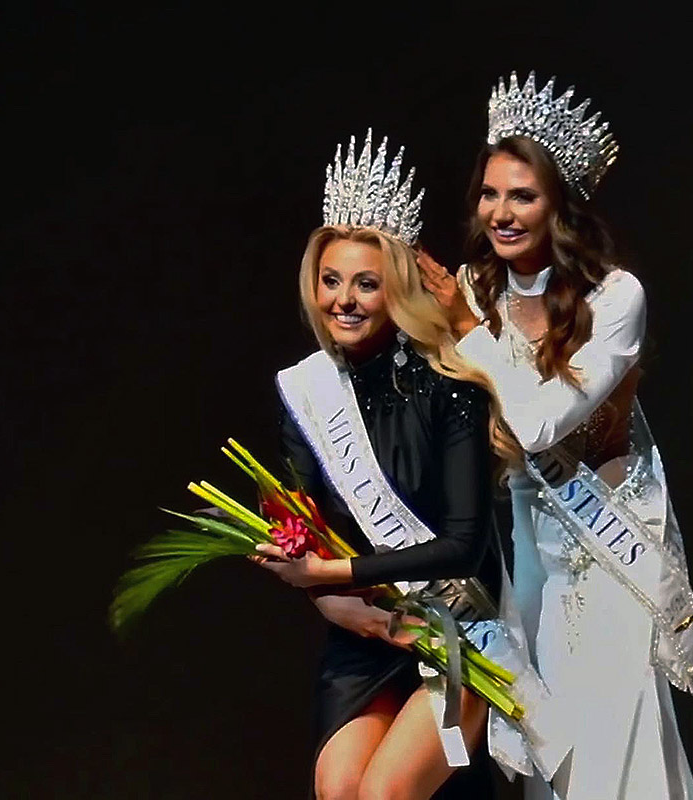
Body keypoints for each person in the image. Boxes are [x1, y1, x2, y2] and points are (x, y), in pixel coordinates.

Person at [417, 73, 693, 799]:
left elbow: (538, 422)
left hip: (606, 548)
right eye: (490, 194)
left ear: (561, 204)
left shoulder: (616, 298)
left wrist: (464, 329)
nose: (501, 212)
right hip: (530, 553)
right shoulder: (476, 289)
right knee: (559, 751)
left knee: (617, 740)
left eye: (523, 195)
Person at [254, 130, 510, 800]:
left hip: (456, 630)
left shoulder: (450, 386)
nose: (344, 299)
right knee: (338, 792)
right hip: (365, 636)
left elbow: (463, 545)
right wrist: (330, 596)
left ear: (394, 288)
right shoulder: (309, 394)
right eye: (331, 280)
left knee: (382, 796)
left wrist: (334, 575)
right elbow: (304, 532)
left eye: (366, 283)